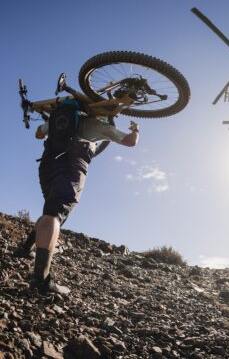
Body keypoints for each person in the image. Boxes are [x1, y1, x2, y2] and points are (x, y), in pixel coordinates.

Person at [15, 98, 139, 294]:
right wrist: (136, 130)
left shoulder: (58, 119)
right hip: (72, 167)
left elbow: (38, 134)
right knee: (55, 214)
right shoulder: (96, 124)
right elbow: (130, 142)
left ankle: (24, 248)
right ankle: (40, 280)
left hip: (47, 166)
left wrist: (49, 124)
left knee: (50, 210)